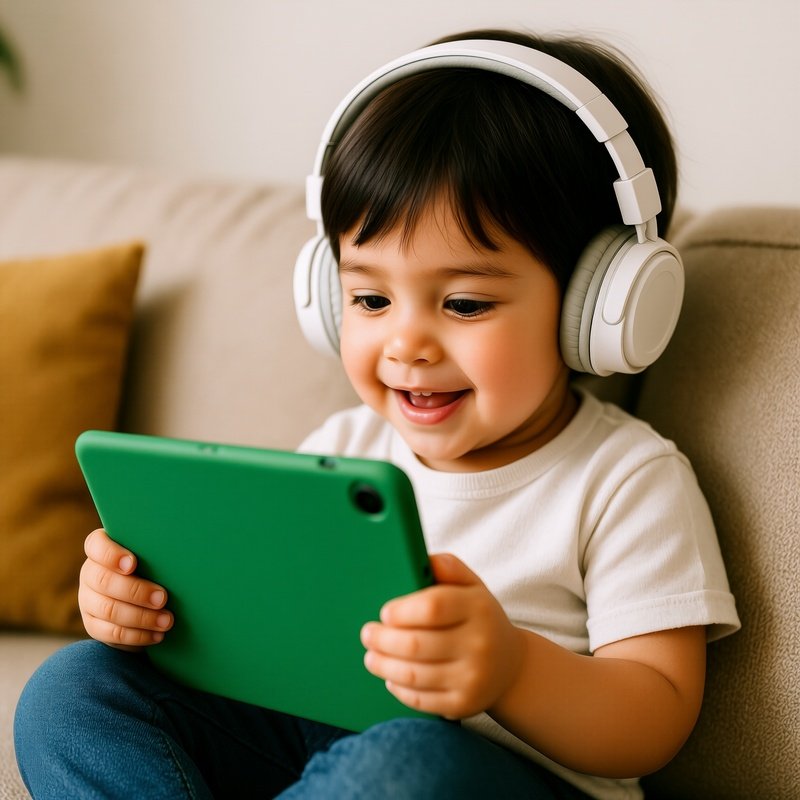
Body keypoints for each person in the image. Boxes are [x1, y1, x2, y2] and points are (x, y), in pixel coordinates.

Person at [15, 28, 739, 800]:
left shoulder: (626, 477)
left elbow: (655, 718)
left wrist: (514, 669)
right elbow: (265, 627)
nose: (406, 343)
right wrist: (147, 602)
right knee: (74, 690)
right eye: (368, 298)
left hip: (489, 779)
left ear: (598, 307)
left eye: (464, 302)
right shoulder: (346, 445)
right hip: (326, 753)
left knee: (401, 765)